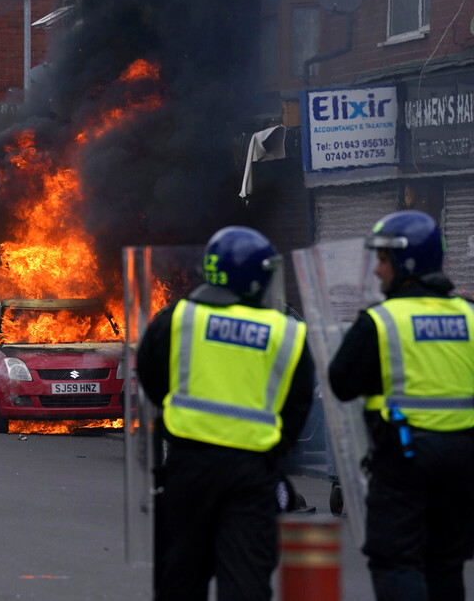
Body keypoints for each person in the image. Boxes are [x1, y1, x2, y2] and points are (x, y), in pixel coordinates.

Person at [136, 226, 314, 601]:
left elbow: (151, 378)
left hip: (189, 468)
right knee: (246, 581)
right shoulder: (285, 332)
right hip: (253, 473)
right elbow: (298, 404)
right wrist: (276, 448)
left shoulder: (178, 319)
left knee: (180, 580)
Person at [329, 211, 474, 601]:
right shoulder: (469, 316)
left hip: (405, 459)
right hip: (462, 463)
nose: (377, 271)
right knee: (446, 563)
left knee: (397, 561)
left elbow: (341, 383)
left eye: (383, 260)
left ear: (406, 263)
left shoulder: (381, 321)